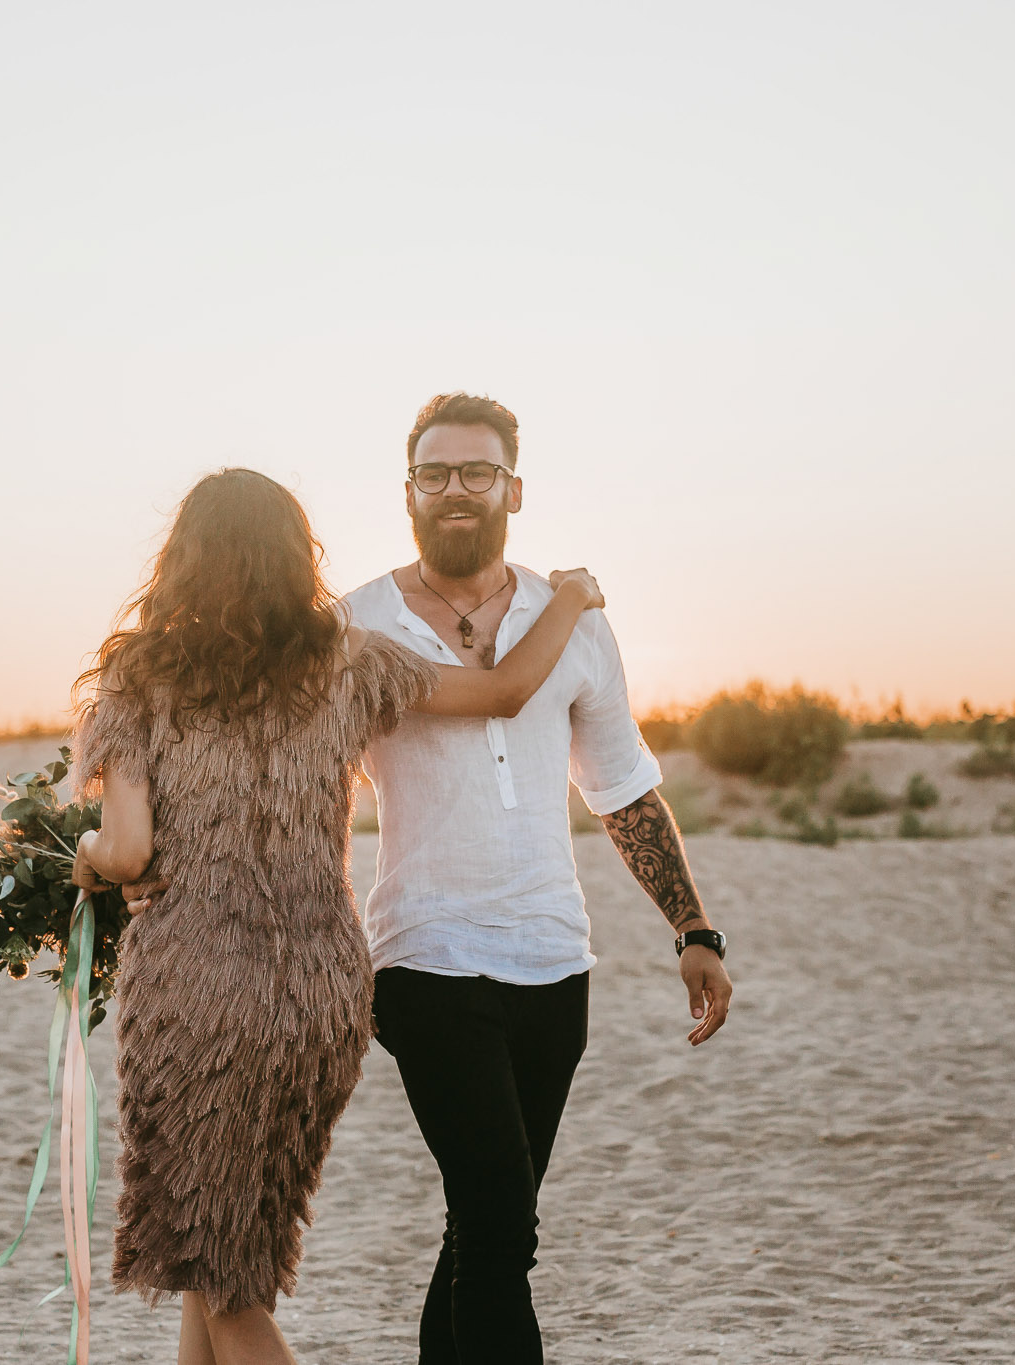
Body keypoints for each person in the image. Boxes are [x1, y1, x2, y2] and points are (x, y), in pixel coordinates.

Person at [66, 466, 606, 1365]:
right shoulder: (346, 660)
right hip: (320, 995)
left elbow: (125, 851)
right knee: (220, 1256)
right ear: (294, 555)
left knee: (223, 1277)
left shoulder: (142, 674)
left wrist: (83, 858)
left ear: (180, 560)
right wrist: (573, 598)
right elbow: (504, 691)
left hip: (198, 992)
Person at [342, 391, 735, 1364]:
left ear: (513, 487)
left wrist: (692, 928)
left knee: (483, 1232)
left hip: (555, 967)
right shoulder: (355, 627)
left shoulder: (577, 630)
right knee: (500, 1230)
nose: (455, 490)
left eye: (476, 471)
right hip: (422, 964)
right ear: (405, 493)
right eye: (433, 474)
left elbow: (624, 791)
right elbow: (299, 792)